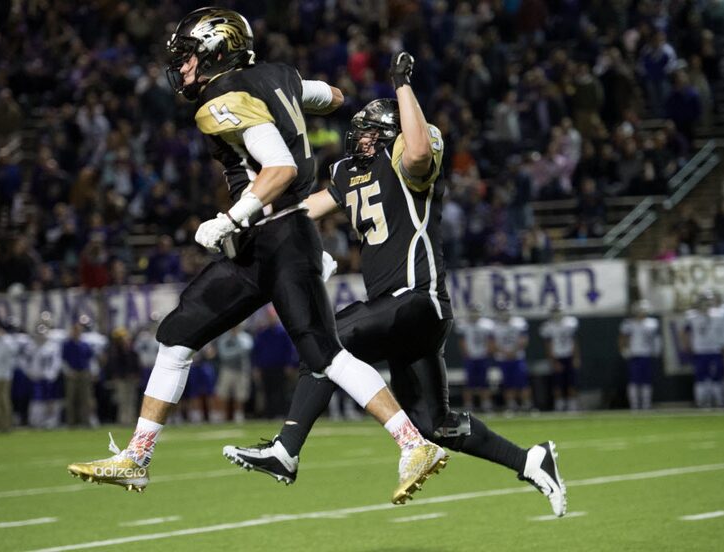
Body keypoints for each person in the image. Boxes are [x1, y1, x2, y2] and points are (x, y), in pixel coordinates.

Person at [68, 8, 447, 504]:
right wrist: (288, 98)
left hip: (278, 236)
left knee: (324, 354)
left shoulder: (218, 99)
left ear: (215, 52)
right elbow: (332, 97)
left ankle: (413, 443)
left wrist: (231, 216)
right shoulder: (279, 75)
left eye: (187, 58)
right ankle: (137, 457)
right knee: (176, 336)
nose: (181, 69)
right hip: (264, 244)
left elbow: (280, 168)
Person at [223, 57, 566, 516]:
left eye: (367, 131)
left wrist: (403, 86)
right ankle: (530, 460)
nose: (358, 137)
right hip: (400, 316)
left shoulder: (407, 162)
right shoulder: (349, 173)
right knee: (436, 425)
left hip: (419, 300)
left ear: (388, 134)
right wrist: (248, 215)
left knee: (327, 339)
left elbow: (421, 152)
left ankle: (286, 448)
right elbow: (305, 210)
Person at [681, 292, 724, 408]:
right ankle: (702, 402)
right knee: (701, 378)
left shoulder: (719, 314)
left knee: (717, 377)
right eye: (704, 301)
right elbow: (685, 332)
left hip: (716, 349)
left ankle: (719, 401)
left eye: (708, 301)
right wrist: (687, 346)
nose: (706, 304)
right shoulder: (692, 316)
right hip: (700, 350)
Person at [619, 300, 661, 411]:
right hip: (634, 355)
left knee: (646, 381)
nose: (642, 313)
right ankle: (635, 405)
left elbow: (656, 338)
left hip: (646, 354)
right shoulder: (629, 323)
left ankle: (646, 404)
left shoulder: (652, 323)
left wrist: (656, 349)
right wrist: (624, 349)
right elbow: (623, 338)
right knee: (634, 381)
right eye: (640, 310)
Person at [491, 302, 533, 412]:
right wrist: (505, 353)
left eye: (506, 311)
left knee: (522, 382)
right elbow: (492, 343)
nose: (504, 313)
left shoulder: (519, 323)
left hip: (517, 357)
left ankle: (526, 404)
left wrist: (513, 351)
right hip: (503, 358)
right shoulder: (494, 326)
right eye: (502, 311)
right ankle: (511, 405)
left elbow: (524, 339)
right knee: (507, 383)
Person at [539, 304, 581, 411]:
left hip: (569, 356)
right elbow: (548, 346)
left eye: (558, 311)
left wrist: (576, 357)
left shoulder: (570, 323)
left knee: (572, 383)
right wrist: (553, 361)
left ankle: (572, 406)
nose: (557, 314)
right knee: (557, 384)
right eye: (555, 312)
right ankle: (559, 406)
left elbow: (574, 342)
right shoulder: (548, 326)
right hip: (557, 356)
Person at [458, 304, 495, 412]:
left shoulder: (487, 325)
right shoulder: (464, 324)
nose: (475, 314)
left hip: (483, 356)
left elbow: (490, 340)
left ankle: (486, 404)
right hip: (470, 357)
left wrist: (488, 351)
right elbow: (462, 341)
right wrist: (466, 352)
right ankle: (468, 404)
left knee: (484, 382)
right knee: (469, 383)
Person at [212, 325, 253, 423]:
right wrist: (238, 351)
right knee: (223, 394)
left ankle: (238, 417)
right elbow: (224, 355)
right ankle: (223, 417)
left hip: (242, 370)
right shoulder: (224, 338)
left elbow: (248, 348)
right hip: (227, 369)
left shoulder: (245, 336)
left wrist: (236, 339)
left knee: (240, 396)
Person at [61, 322, 95, 427]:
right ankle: (71, 422)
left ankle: (86, 421)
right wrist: (68, 371)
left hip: (84, 372)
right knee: (71, 398)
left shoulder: (84, 344)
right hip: (72, 373)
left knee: (85, 398)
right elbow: (63, 359)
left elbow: (90, 359)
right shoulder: (67, 345)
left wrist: (92, 372)